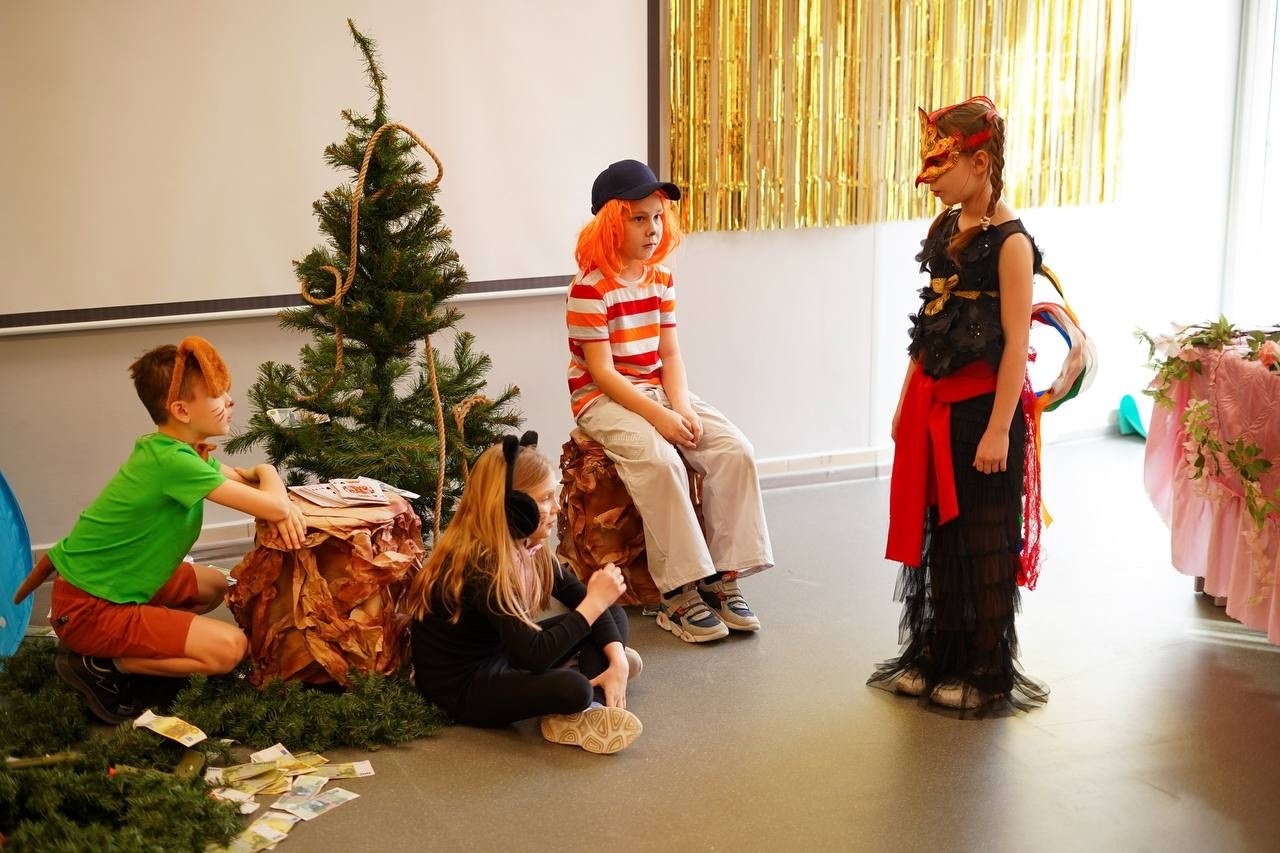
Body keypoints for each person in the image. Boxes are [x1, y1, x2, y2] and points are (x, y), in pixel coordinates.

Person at [868, 97, 1049, 714]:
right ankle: (939, 653)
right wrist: (905, 400)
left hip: (983, 412)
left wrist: (999, 429)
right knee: (941, 537)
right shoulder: (945, 228)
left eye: (940, 165)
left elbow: (1016, 344)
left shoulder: (1012, 245)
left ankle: (984, 668)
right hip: (936, 405)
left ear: (979, 162)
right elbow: (929, 324)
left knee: (983, 540)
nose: (930, 178)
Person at [40, 336, 306, 724]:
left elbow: (248, 483)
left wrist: (265, 483)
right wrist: (269, 473)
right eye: (217, 395)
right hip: (90, 607)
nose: (230, 401)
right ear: (181, 410)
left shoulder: (175, 449)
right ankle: (102, 663)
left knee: (214, 585)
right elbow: (272, 501)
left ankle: (145, 640)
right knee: (231, 649)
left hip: (115, 584)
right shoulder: (174, 464)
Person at [566, 159, 774, 644]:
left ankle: (723, 578)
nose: (652, 229)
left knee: (734, 450)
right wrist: (660, 417)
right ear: (610, 224)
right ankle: (677, 594)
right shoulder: (589, 289)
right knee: (661, 463)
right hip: (603, 399)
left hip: (658, 389)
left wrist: (680, 407)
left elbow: (671, 354)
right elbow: (603, 374)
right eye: (639, 218)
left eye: (657, 217)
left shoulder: (660, 280)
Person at [407, 432, 644, 755]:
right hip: (463, 687)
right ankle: (586, 699)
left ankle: (600, 688)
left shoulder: (527, 545)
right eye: (545, 498)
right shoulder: (481, 566)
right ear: (513, 507)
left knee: (611, 613)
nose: (557, 507)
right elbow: (535, 655)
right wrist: (594, 603)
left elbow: (580, 600)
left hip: (506, 652)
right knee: (574, 685)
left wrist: (617, 661)